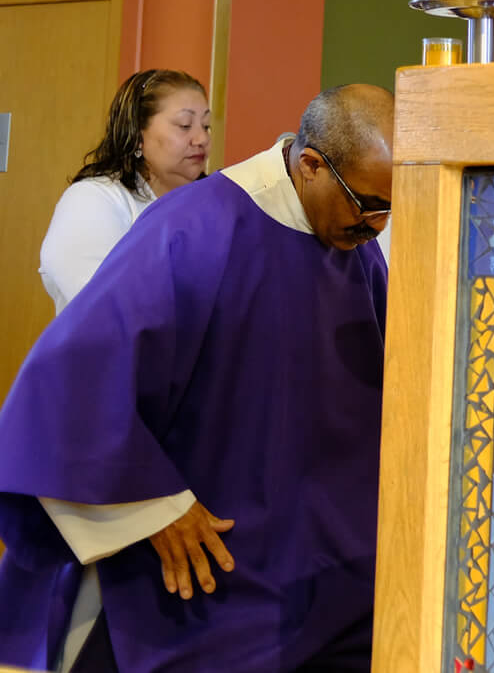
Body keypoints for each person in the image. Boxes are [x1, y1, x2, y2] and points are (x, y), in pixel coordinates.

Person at [0, 85, 396, 673]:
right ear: (311, 164)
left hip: (331, 567)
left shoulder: (355, 247)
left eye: (391, 205)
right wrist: (153, 504)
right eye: (367, 202)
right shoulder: (194, 229)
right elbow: (71, 386)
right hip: (217, 571)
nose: (377, 222)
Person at [40, 69, 210, 311]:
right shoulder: (92, 200)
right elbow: (107, 307)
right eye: (185, 125)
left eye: (206, 126)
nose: (201, 138)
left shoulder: (212, 203)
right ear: (137, 134)